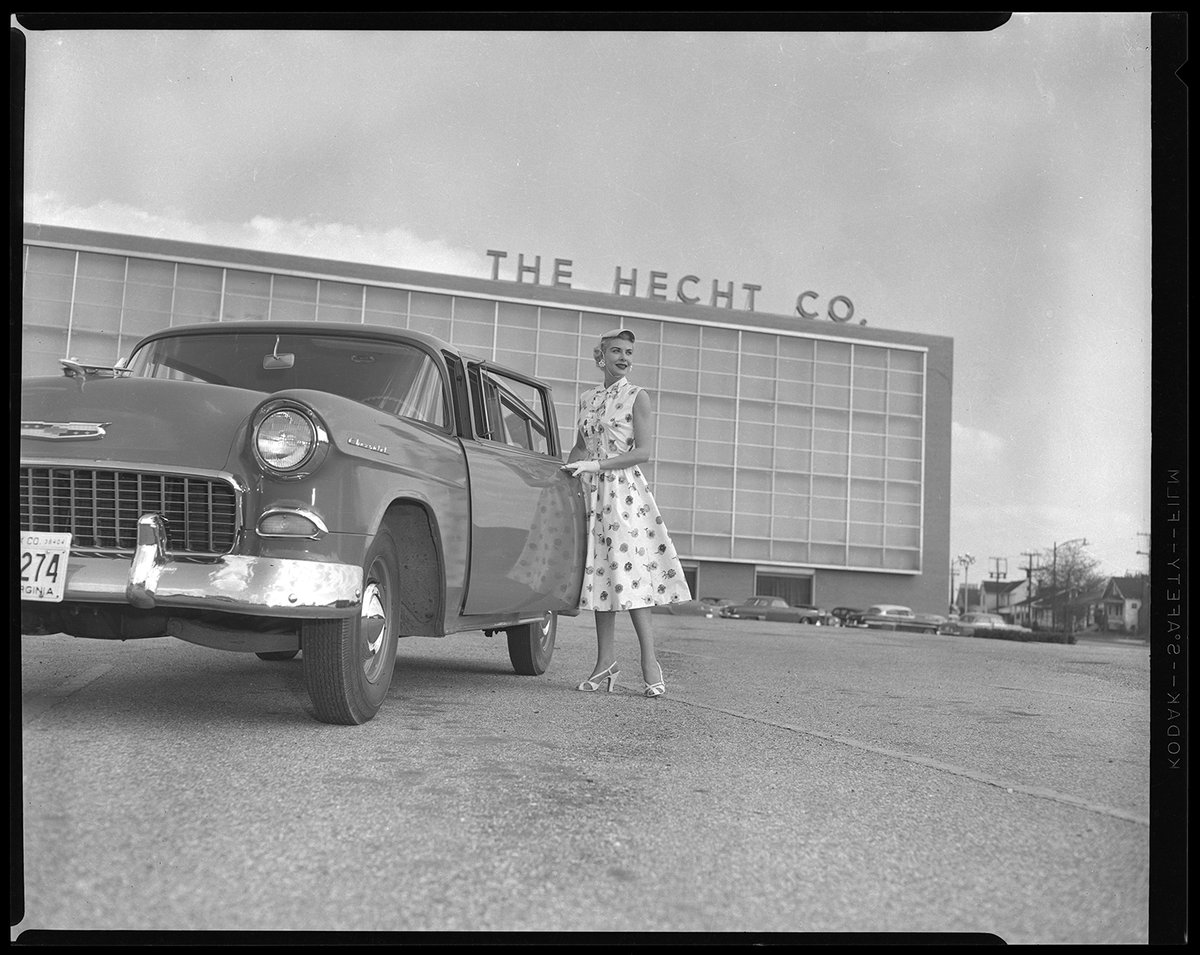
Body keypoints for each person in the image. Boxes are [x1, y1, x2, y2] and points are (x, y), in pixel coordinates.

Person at [562, 327, 691, 698]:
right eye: (616, 351)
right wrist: (564, 472)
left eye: (629, 352)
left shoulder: (637, 396)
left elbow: (642, 453)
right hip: (593, 494)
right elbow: (580, 446)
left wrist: (597, 466)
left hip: (623, 494)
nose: (623, 358)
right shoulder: (587, 398)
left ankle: (650, 662)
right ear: (600, 356)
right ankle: (605, 663)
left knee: (631, 575)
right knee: (601, 575)